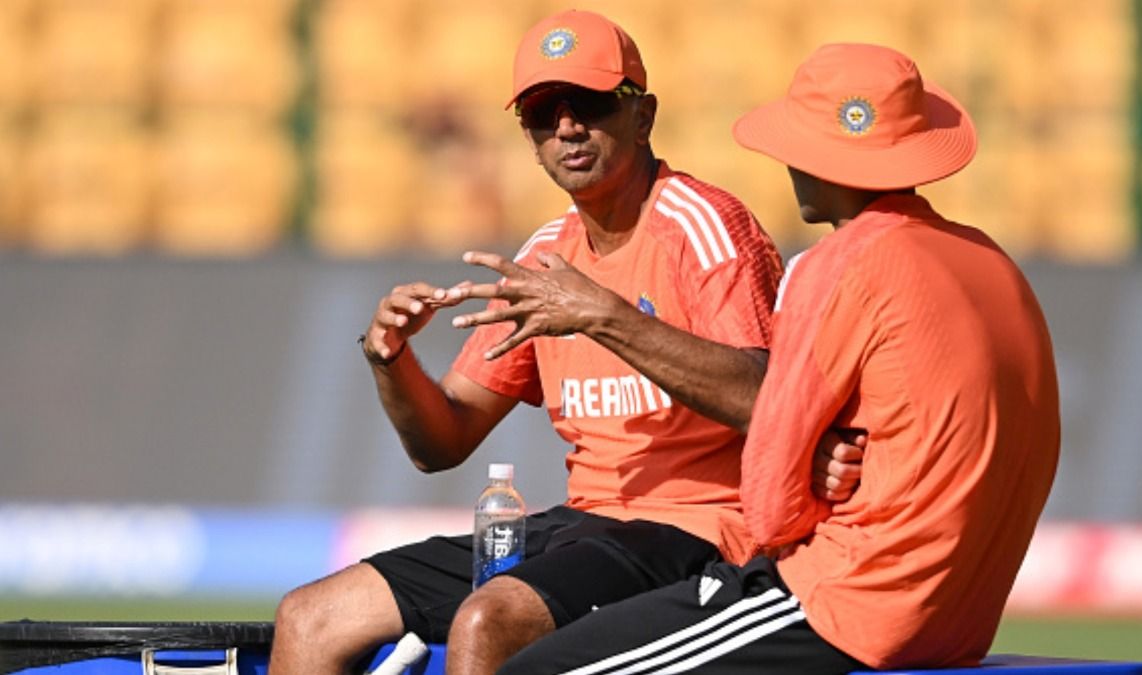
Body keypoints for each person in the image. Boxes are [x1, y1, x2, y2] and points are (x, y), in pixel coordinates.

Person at [269, 12, 865, 675]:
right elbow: (443, 443)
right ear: (529, 139)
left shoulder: (704, 226)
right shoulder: (546, 255)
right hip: (586, 523)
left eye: (588, 104)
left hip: (703, 530)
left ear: (643, 116)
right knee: (312, 614)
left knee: (488, 620)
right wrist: (390, 359)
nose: (567, 127)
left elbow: (765, 396)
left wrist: (602, 314)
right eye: (542, 113)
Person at [498, 42, 1061, 674]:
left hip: (847, 601)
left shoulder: (836, 264)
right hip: (963, 617)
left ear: (816, 161)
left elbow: (768, 500)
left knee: (533, 669)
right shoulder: (991, 260)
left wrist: (814, 484)